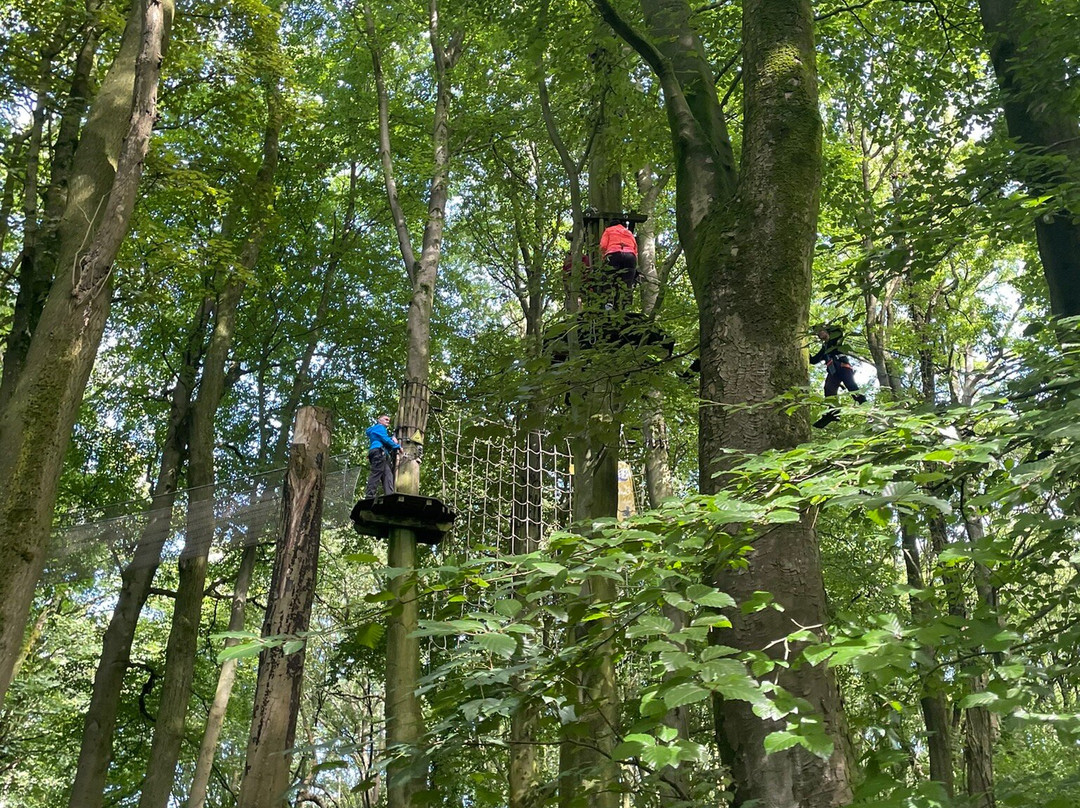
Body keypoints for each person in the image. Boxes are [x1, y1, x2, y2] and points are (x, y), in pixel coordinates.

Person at [810, 325, 866, 428]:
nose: (820, 334)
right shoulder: (824, 349)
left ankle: (865, 405)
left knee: (851, 386)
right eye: (818, 334)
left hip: (843, 367)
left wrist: (826, 326)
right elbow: (813, 360)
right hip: (833, 372)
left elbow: (839, 330)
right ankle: (833, 412)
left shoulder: (834, 340)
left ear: (827, 332)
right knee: (828, 389)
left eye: (821, 332)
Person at [599, 221, 639, 308]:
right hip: (630, 256)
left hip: (614, 254)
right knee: (627, 283)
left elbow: (603, 246)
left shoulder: (609, 230)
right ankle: (626, 306)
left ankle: (608, 304)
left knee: (609, 279)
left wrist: (603, 257)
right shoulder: (628, 232)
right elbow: (635, 249)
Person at [364, 413, 401, 498]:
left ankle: (389, 496)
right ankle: (369, 495)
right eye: (386, 419)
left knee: (388, 475)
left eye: (389, 420)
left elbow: (385, 440)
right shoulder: (379, 427)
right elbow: (384, 439)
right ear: (379, 420)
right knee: (376, 473)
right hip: (378, 452)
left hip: (382, 454)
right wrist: (397, 446)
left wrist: (392, 440)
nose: (388, 421)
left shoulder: (378, 430)